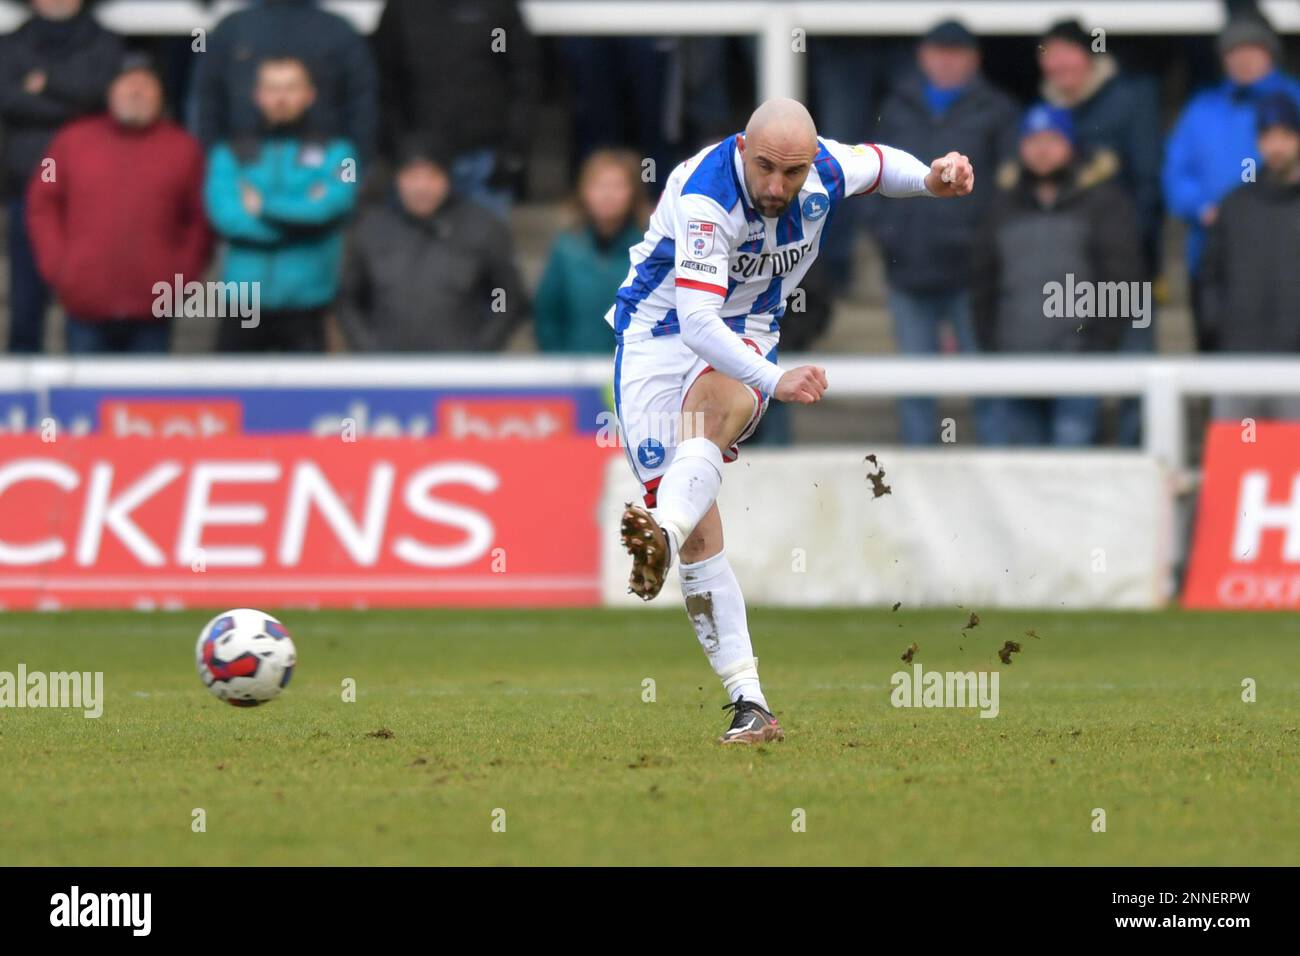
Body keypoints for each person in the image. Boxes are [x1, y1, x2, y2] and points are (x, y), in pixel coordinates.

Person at [610, 98, 973, 743]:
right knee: (700, 535)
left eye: (794, 172)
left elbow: (882, 164)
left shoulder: (824, 168)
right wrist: (778, 378)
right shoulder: (706, 197)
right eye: (766, 168)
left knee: (714, 417)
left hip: (743, 332)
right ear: (743, 146)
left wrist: (931, 178)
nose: (778, 187)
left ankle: (663, 533)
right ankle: (747, 696)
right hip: (657, 337)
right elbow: (695, 322)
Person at [871, 19, 1019, 444]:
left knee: (985, 380)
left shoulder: (997, 110)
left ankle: (997, 469)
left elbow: (1009, 190)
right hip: (909, 268)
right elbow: (870, 174)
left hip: (973, 275)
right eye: (939, 52)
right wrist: (889, 234)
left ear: (974, 59)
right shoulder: (896, 107)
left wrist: (985, 248)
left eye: (957, 53)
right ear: (923, 56)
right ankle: (917, 480)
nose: (948, 61)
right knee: (916, 383)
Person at [971, 105, 1143, 446]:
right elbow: (982, 281)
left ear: (1070, 145)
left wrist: (1097, 348)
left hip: (1077, 365)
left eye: (1052, 139)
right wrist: (993, 346)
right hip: (1015, 363)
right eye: (1033, 140)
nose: (1042, 149)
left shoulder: (1103, 201)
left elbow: (1123, 279)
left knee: (1071, 470)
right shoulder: (1001, 204)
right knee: (1022, 473)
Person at [26, 53, 211, 354]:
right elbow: (41, 202)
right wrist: (59, 268)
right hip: (86, 305)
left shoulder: (184, 149)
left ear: (161, 95)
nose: (136, 92)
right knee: (83, 397)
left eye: (145, 85)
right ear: (110, 91)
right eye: (127, 84)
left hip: (153, 310)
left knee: (148, 400)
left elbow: (200, 219)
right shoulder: (69, 142)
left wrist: (180, 277)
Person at [1163, 14, 1300, 351]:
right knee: (1219, 357)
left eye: (1251, 48)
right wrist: (1201, 208)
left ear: (1271, 52)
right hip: (1216, 258)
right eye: (1233, 51)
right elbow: (1176, 171)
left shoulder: (1293, 100)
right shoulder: (1202, 109)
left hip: (1287, 259)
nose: (1242, 58)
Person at [204, 56, 359, 352]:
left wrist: (264, 207)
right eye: (272, 88)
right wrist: (302, 223)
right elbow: (226, 218)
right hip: (243, 302)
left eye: (291, 87)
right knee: (234, 394)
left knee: (305, 397)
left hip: (307, 300)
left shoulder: (342, 152)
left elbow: (335, 205)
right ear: (257, 95)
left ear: (309, 94)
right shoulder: (228, 152)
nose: (281, 97)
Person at [0, 0, 122, 352]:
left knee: (86, 297)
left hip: (89, 188)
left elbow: (100, 97)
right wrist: (71, 100)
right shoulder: (13, 42)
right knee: (26, 298)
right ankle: (22, 388)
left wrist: (46, 83)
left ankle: (80, 388)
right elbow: (9, 99)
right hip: (28, 180)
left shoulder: (104, 41)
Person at [337, 136, 527, 352]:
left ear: (448, 178)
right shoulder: (371, 229)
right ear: (398, 179)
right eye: (412, 176)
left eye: (432, 176)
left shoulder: (482, 228)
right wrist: (367, 347)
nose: (422, 187)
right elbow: (349, 300)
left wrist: (483, 345)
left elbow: (502, 293)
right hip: (387, 373)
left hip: (457, 372)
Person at [374, 0, 538, 216]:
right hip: (419, 163)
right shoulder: (403, 9)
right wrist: (397, 147)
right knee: (408, 247)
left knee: (484, 244)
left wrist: (513, 150)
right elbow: (385, 82)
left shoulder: (497, 9)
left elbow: (523, 78)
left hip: (483, 159)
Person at [1201, 93, 1300, 421]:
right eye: (1267, 136)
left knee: (1293, 466)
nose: (1276, 146)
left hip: (1294, 364)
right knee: (1234, 460)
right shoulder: (1237, 203)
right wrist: (1218, 324)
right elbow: (1211, 273)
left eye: (1285, 135)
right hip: (1238, 357)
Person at [189, 0, 377, 161]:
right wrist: (215, 165)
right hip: (244, 167)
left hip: (320, 168)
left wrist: (352, 169)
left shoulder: (337, 30)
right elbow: (206, 102)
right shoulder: (231, 29)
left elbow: (362, 104)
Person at [534, 150, 649, 354]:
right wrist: (558, 359)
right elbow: (547, 315)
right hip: (573, 373)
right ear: (583, 191)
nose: (608, 195)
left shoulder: (648, 250)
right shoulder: (566, 249)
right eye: (600, 186)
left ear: (634, 192)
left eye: (617, 186)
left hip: (633, 371)